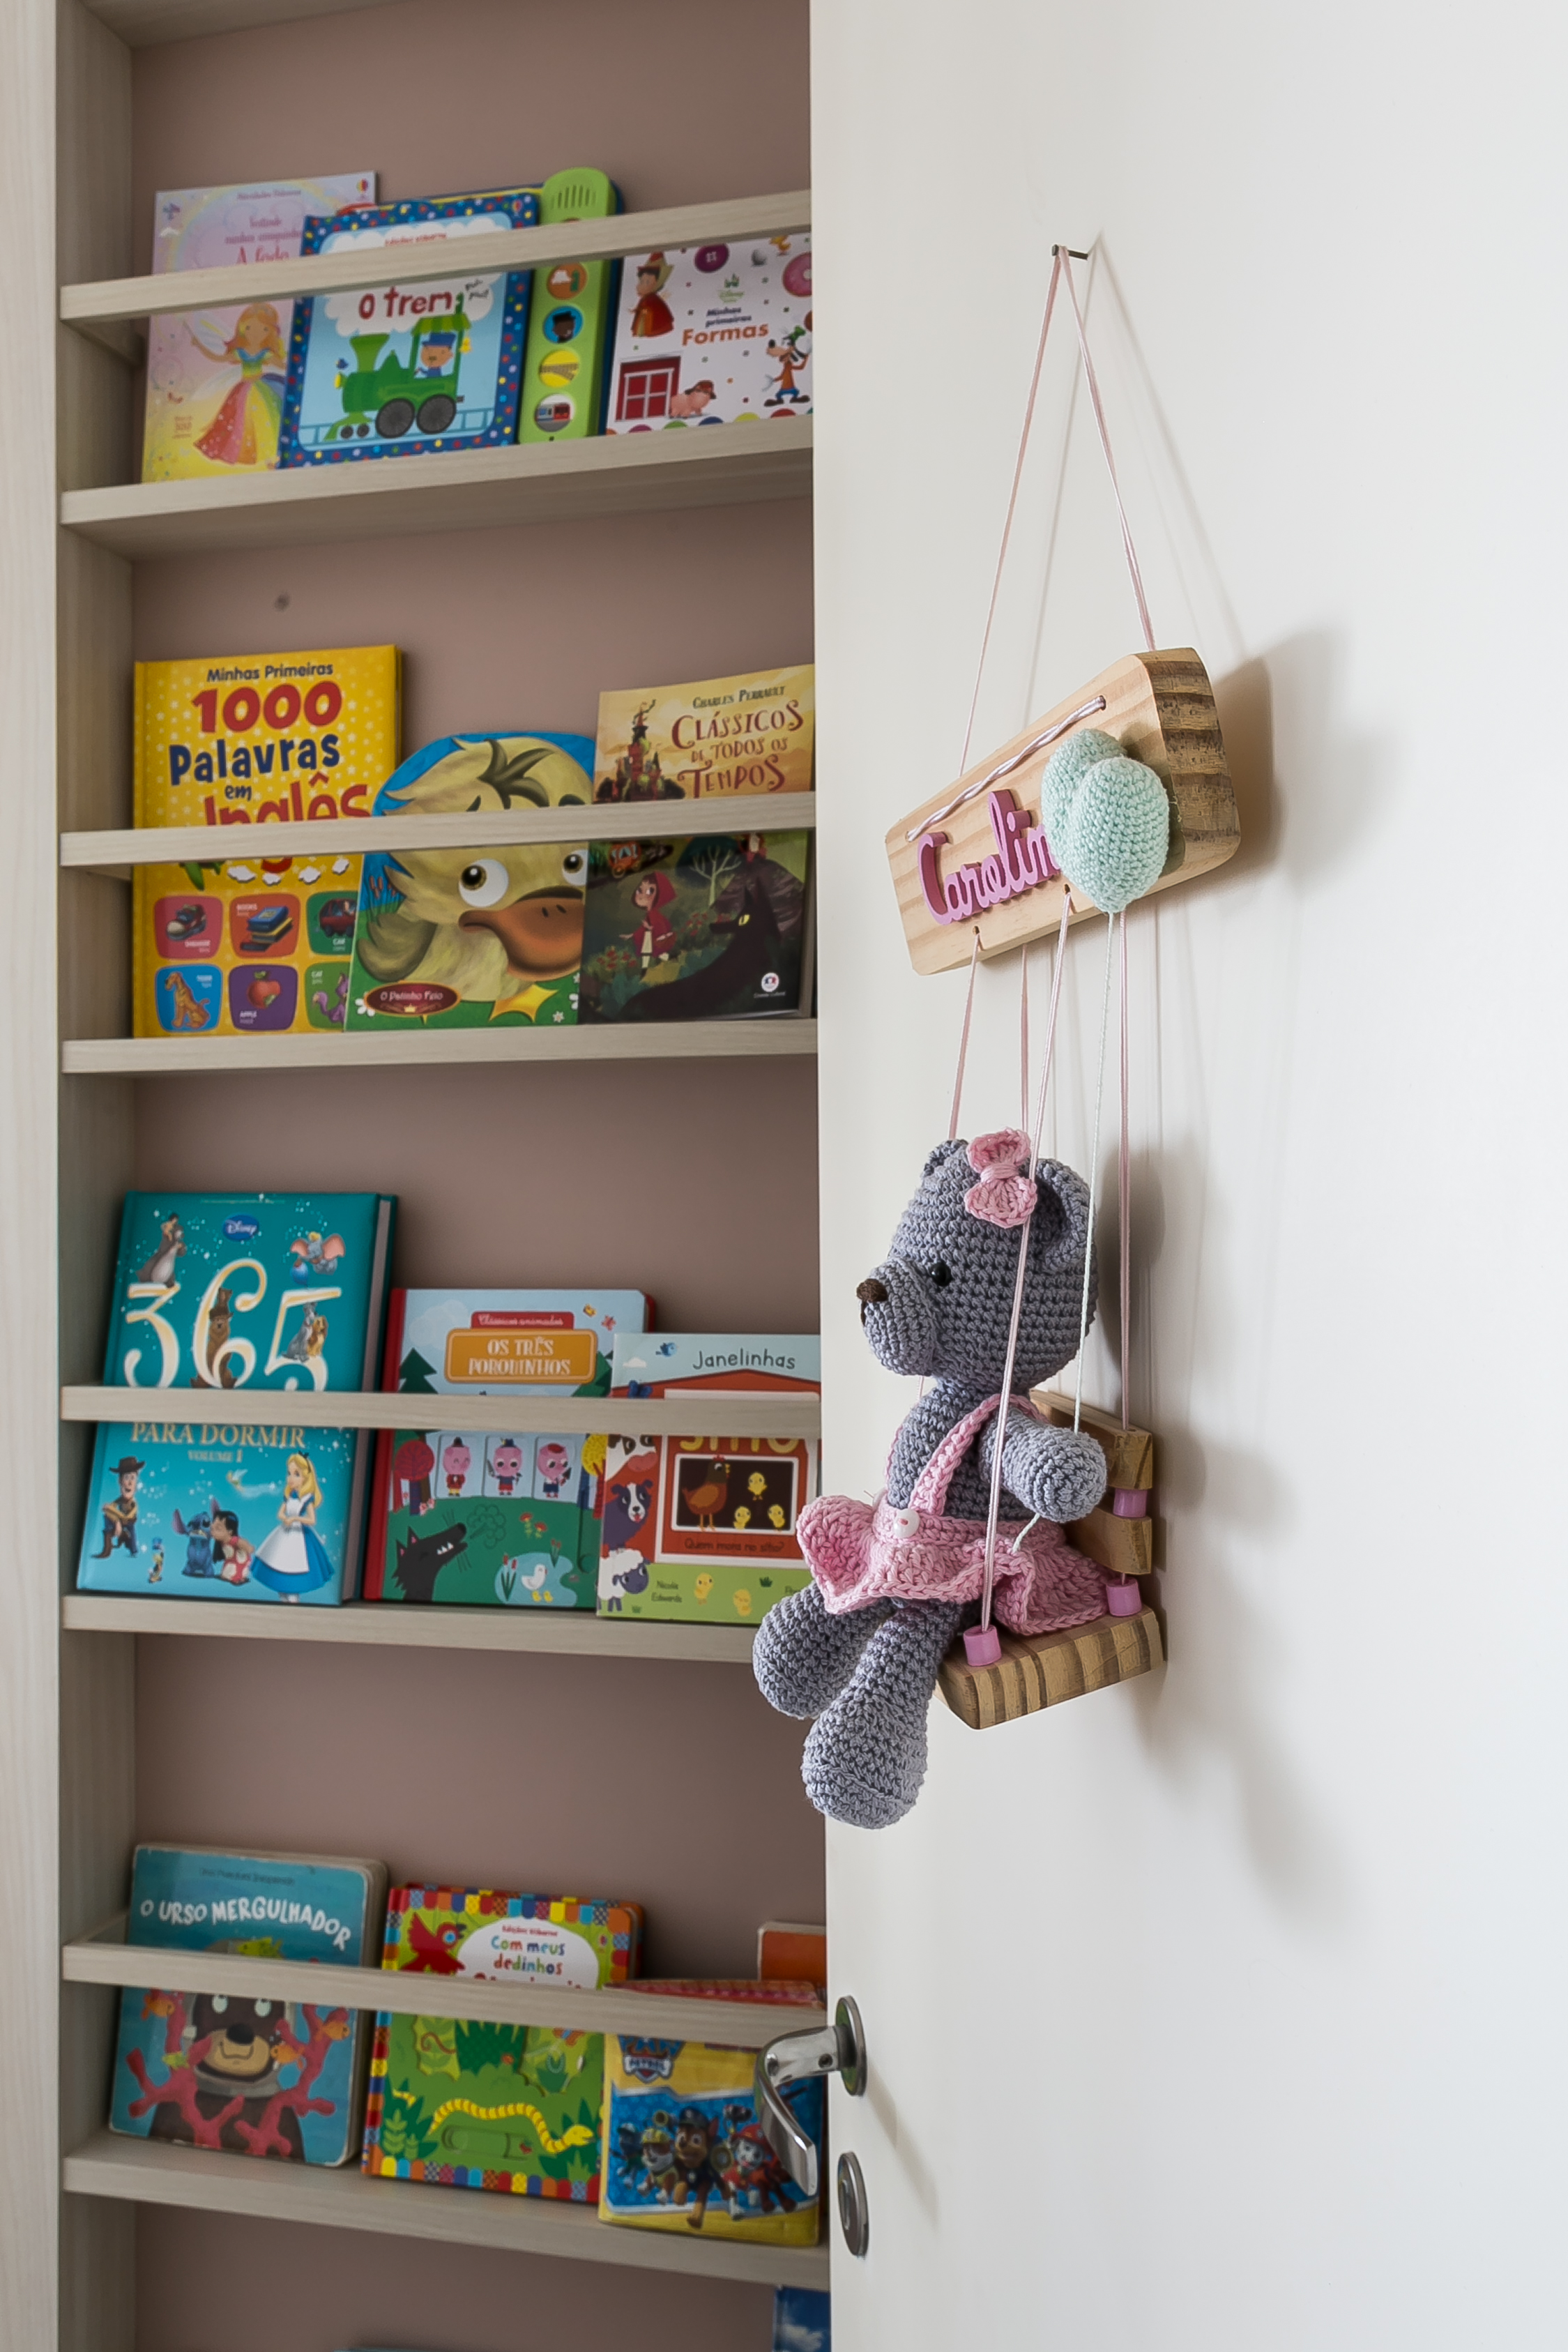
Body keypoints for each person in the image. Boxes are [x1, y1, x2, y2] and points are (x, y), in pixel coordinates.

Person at [188, 302, 287, 467]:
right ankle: (255, 455)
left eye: (264, 329)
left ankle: (272, 455)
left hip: (263, 387)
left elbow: (283, 365)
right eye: (249, 328)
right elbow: (217, 358)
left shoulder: (265, 353)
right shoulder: (240, 353)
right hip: (245, 390)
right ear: (242, 329)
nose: (255, 333)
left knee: (269, 420)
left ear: (270, 332)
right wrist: (199, 346)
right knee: (241, 423)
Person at [250, 1452, 334, 1601]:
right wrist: (285, 1519)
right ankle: (283, 1595)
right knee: (278, 1561)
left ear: (305, 1478)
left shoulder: (307, 1498)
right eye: (289, 1473)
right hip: (285, 1532)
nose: (291, 1478)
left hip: (300, 1536)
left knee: (296, 1564)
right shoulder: (289, 1495)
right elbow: (280, 1513)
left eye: (296, 1474)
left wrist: (295, 1518)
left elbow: (312, 1520)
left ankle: (293, 1596)